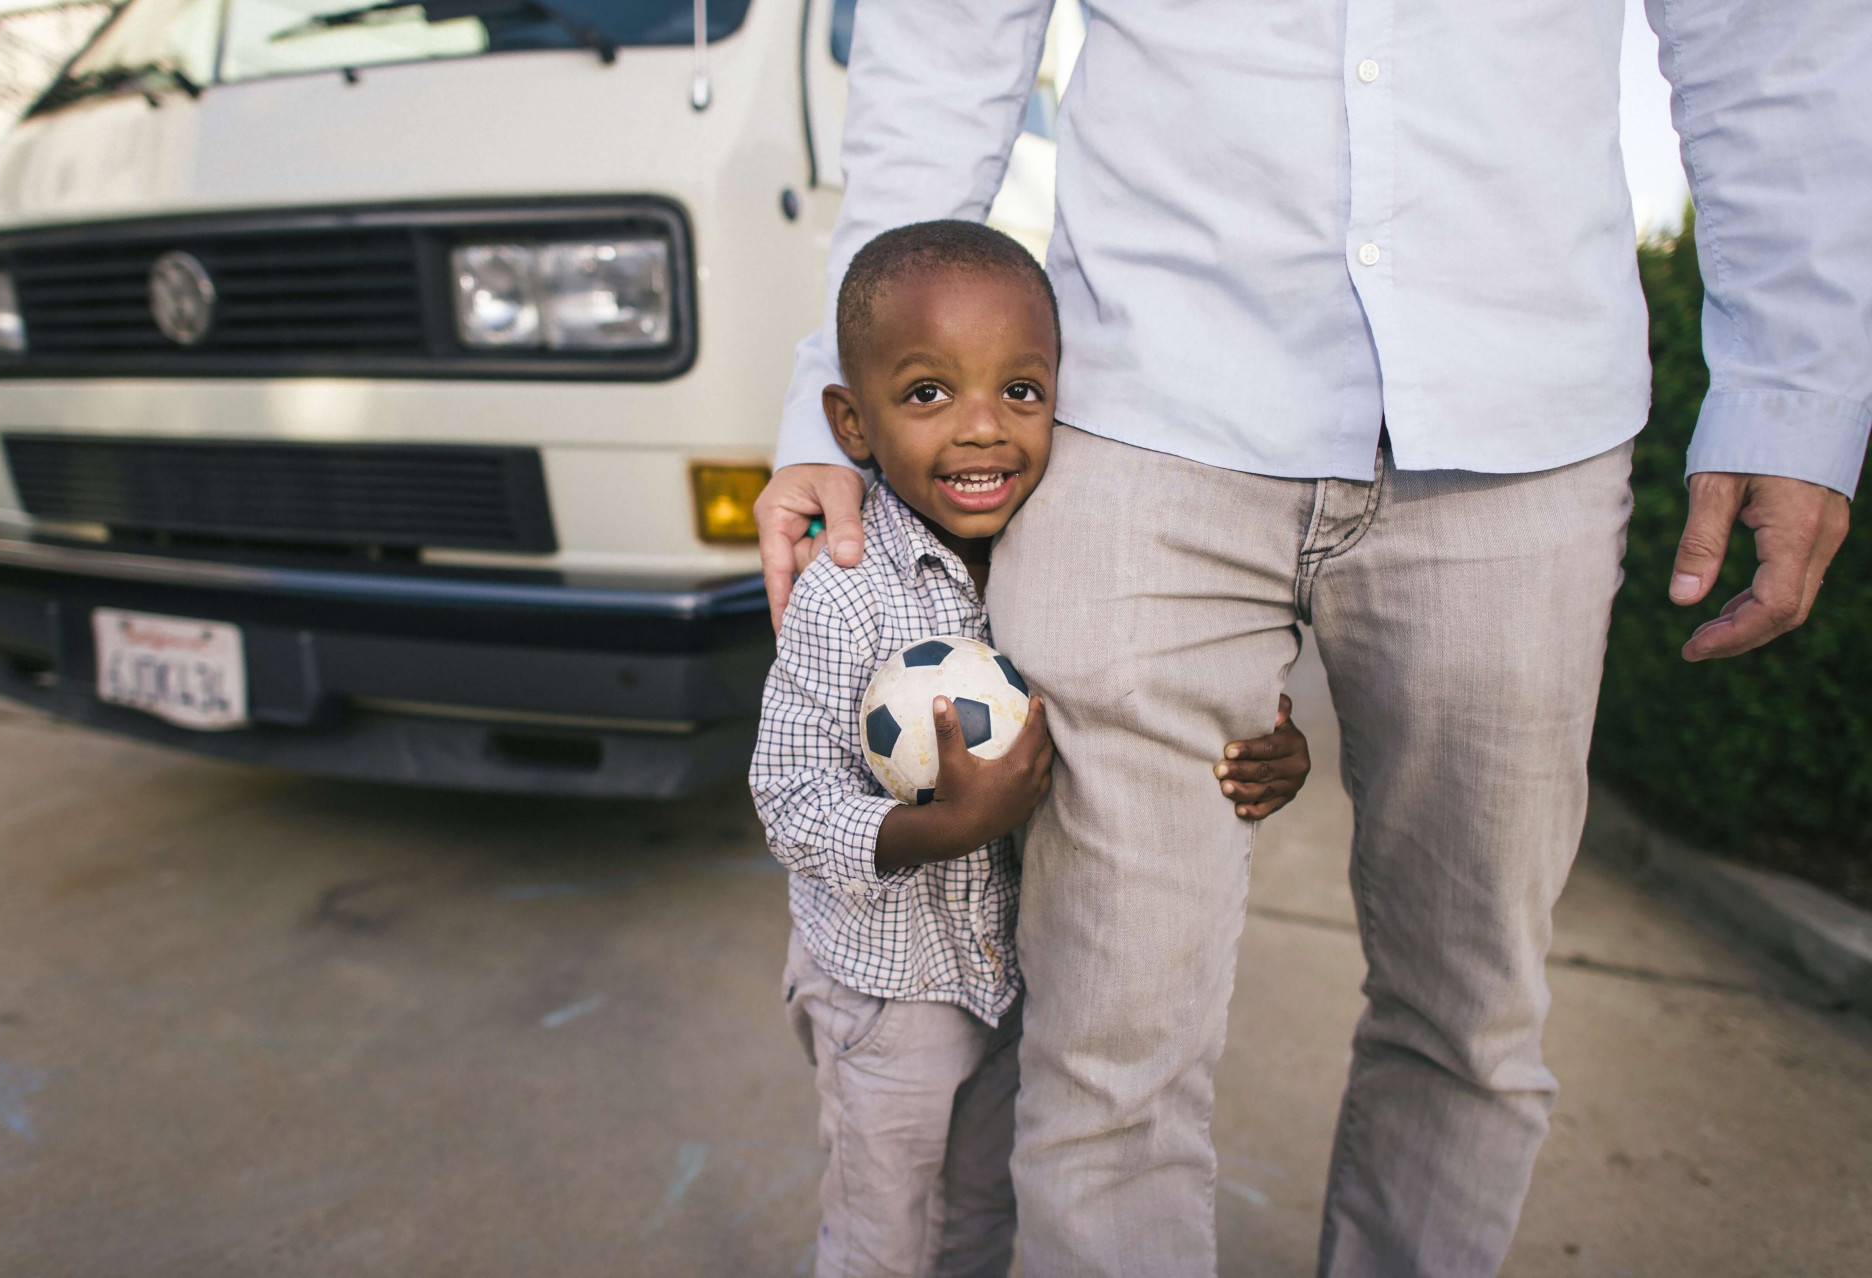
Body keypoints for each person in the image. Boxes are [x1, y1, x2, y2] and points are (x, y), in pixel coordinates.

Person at [755, 3, 1867, 1274]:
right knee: (1108, 1039)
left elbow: (1771, 31)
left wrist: (1799, 392)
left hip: (1526, 417)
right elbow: (946, 32)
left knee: (1473, 1017)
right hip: (1149, 405)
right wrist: (825, 406)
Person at [750, 220, 1313, 1277]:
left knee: (982, 1219)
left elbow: (1149, 704)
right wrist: (943, 827)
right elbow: (787, 796)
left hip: (1016, 982)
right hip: (890, 993)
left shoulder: (1065, 561)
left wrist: (1284, 753)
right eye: (927, 394)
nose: (982, 432)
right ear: (851, 422)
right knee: (881, 1236)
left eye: (1021, 392)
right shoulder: (843, 585)